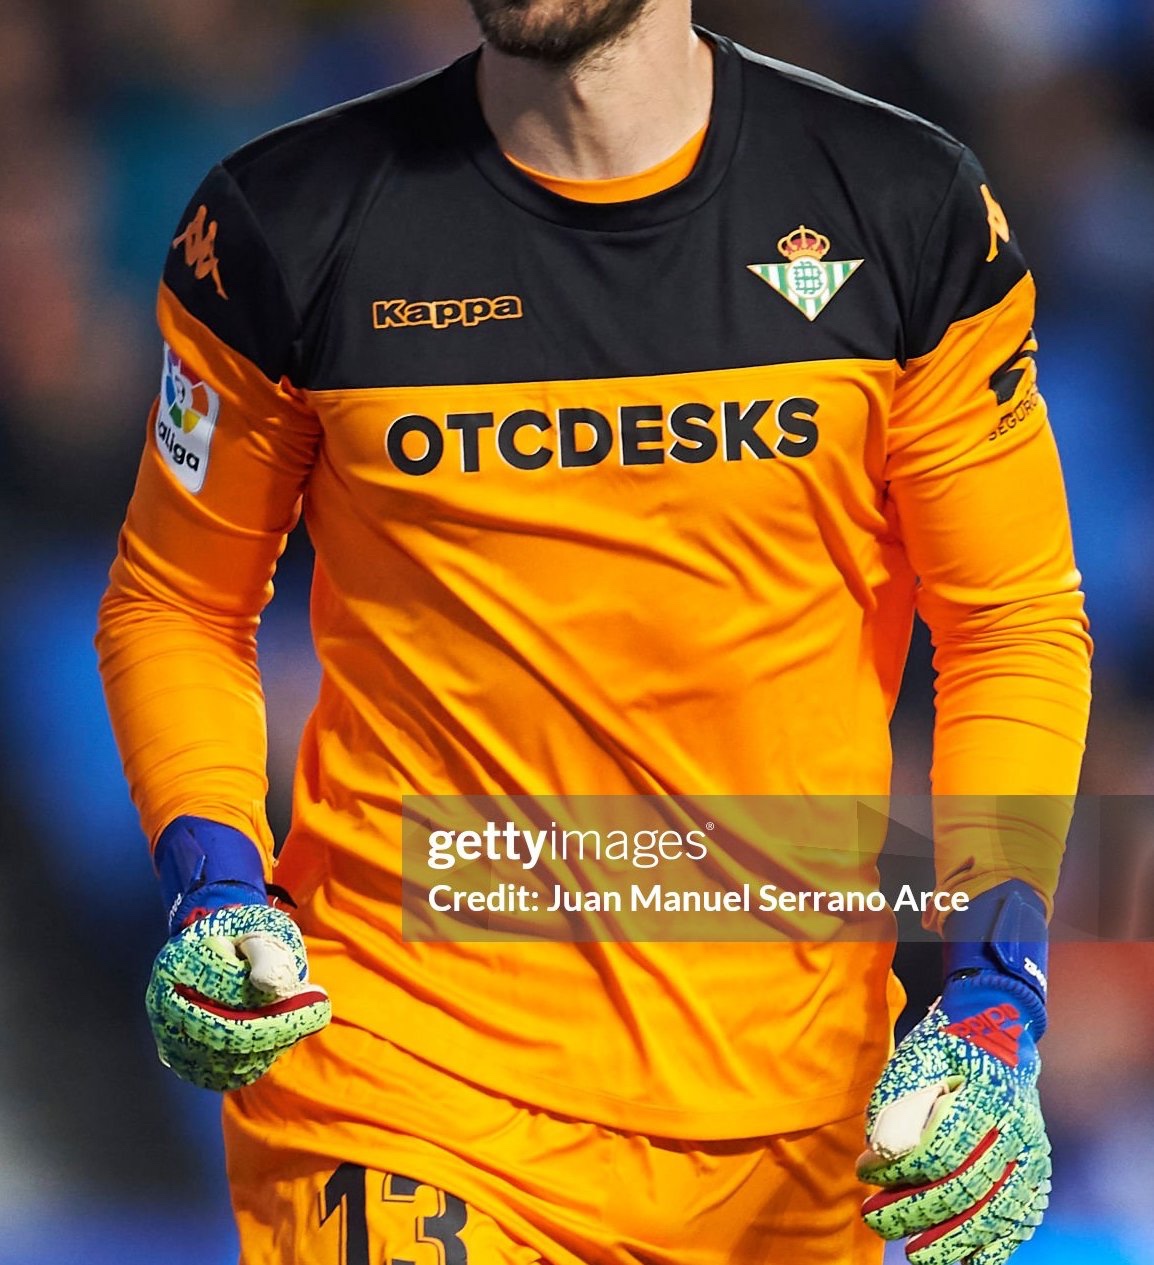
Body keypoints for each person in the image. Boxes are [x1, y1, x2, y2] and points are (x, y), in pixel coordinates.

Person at [96, 1, 1092, 1262]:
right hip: (402, 1074)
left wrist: (994, 991)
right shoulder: (284, 221)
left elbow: (1010, 625)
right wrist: (211, 875)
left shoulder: (903, 207)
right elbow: (174, 601)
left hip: (792, 1123)